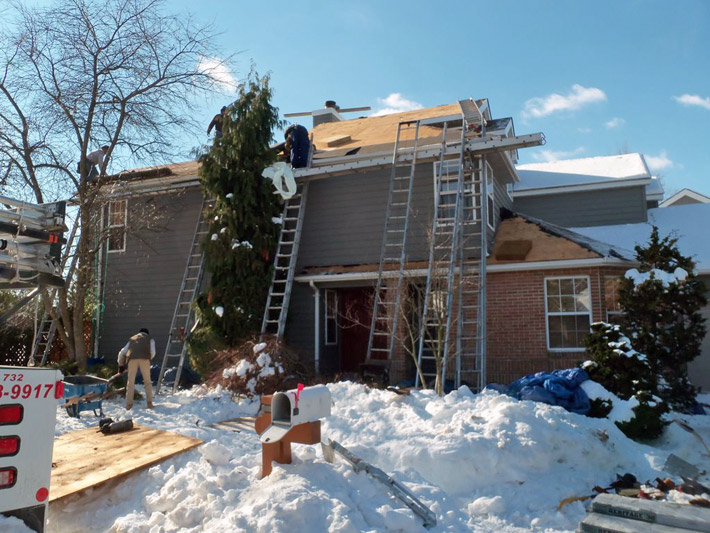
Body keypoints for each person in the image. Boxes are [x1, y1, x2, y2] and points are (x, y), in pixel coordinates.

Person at [117, 328, 156, 410]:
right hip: (145, 359)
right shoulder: (150, 339)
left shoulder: (133, 339)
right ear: (147, 334)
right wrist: (147, 358)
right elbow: (153, 352)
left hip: (132, 360)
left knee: (130, 382)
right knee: (147, 382)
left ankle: (129, 404)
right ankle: (149, 403)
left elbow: (123, 352)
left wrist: (121, 365)